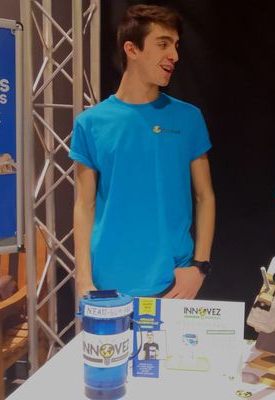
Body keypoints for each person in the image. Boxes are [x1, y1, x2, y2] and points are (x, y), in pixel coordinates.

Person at [70, 5, 215, 299]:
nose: (174, 55)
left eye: (175, 45)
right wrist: (83, 278)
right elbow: (84, 206)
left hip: (174, 281)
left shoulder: (188, 118)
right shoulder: (90, 123)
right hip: (107, 282)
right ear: (131, 49)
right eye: (163, 44)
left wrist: (199, 267)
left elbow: (205, 196)